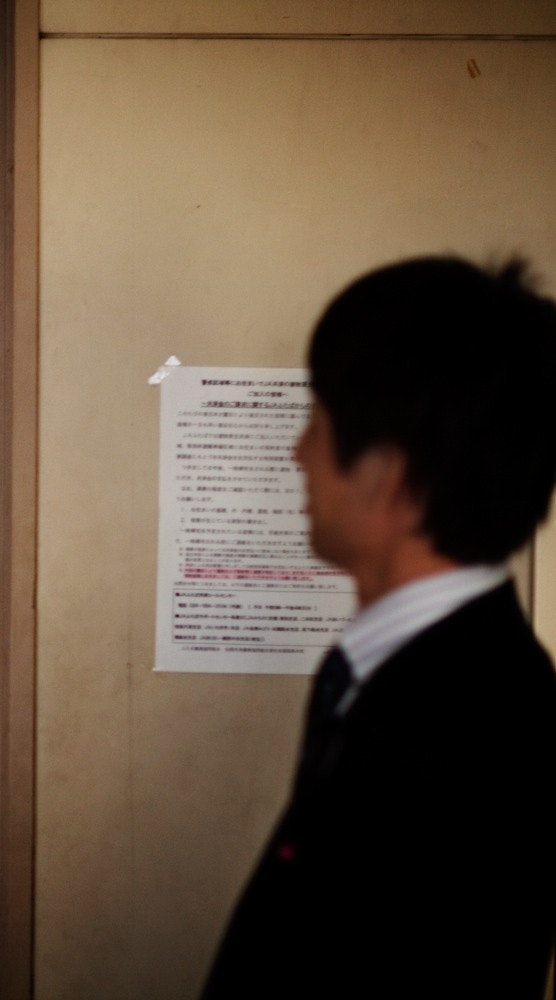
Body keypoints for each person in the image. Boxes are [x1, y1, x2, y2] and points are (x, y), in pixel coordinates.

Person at [201, 255, 556, 998]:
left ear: (388, 472)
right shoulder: (420, 671)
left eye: (318, 423)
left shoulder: (479, 720)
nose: (298, 453)